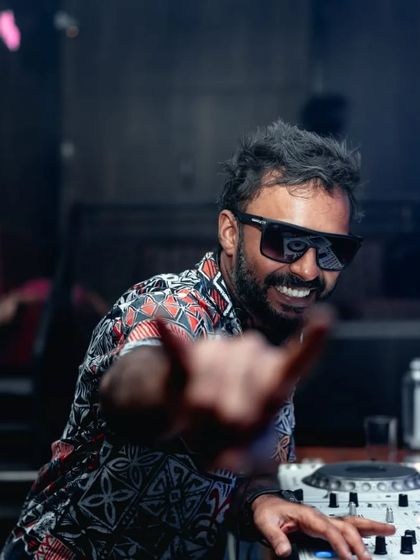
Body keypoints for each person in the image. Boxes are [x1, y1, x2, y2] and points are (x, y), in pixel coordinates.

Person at [1, 120, 394, 560]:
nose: (307, 270)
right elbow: (136, 377)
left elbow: (218, 478)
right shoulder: (167, 305)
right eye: (285, 241)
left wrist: (259, 500)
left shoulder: (279, 315)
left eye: (331, 250)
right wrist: (177, 391)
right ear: (230, 232)